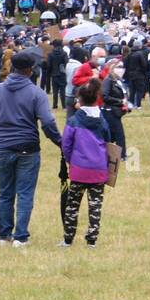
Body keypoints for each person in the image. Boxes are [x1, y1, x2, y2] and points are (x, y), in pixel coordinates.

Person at [0, 50, 61, 245]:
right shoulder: (36, 93)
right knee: (25, 193)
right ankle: (21, 236)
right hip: (28, 147)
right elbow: (48, 122)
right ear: (30, 70)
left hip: (3, 147)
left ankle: (3, 235)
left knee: (5, 192)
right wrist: (60, 142)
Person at [59, 78, 112, 247]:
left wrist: (70, 160)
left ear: (79, 100)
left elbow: (65, 144)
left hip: (79, 169)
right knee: (95, 206)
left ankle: (68, 239)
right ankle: (92, 241)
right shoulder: (102, 120)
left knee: (72, 206)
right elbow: (108, 142)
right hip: (99, 170)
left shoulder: (74, 121)